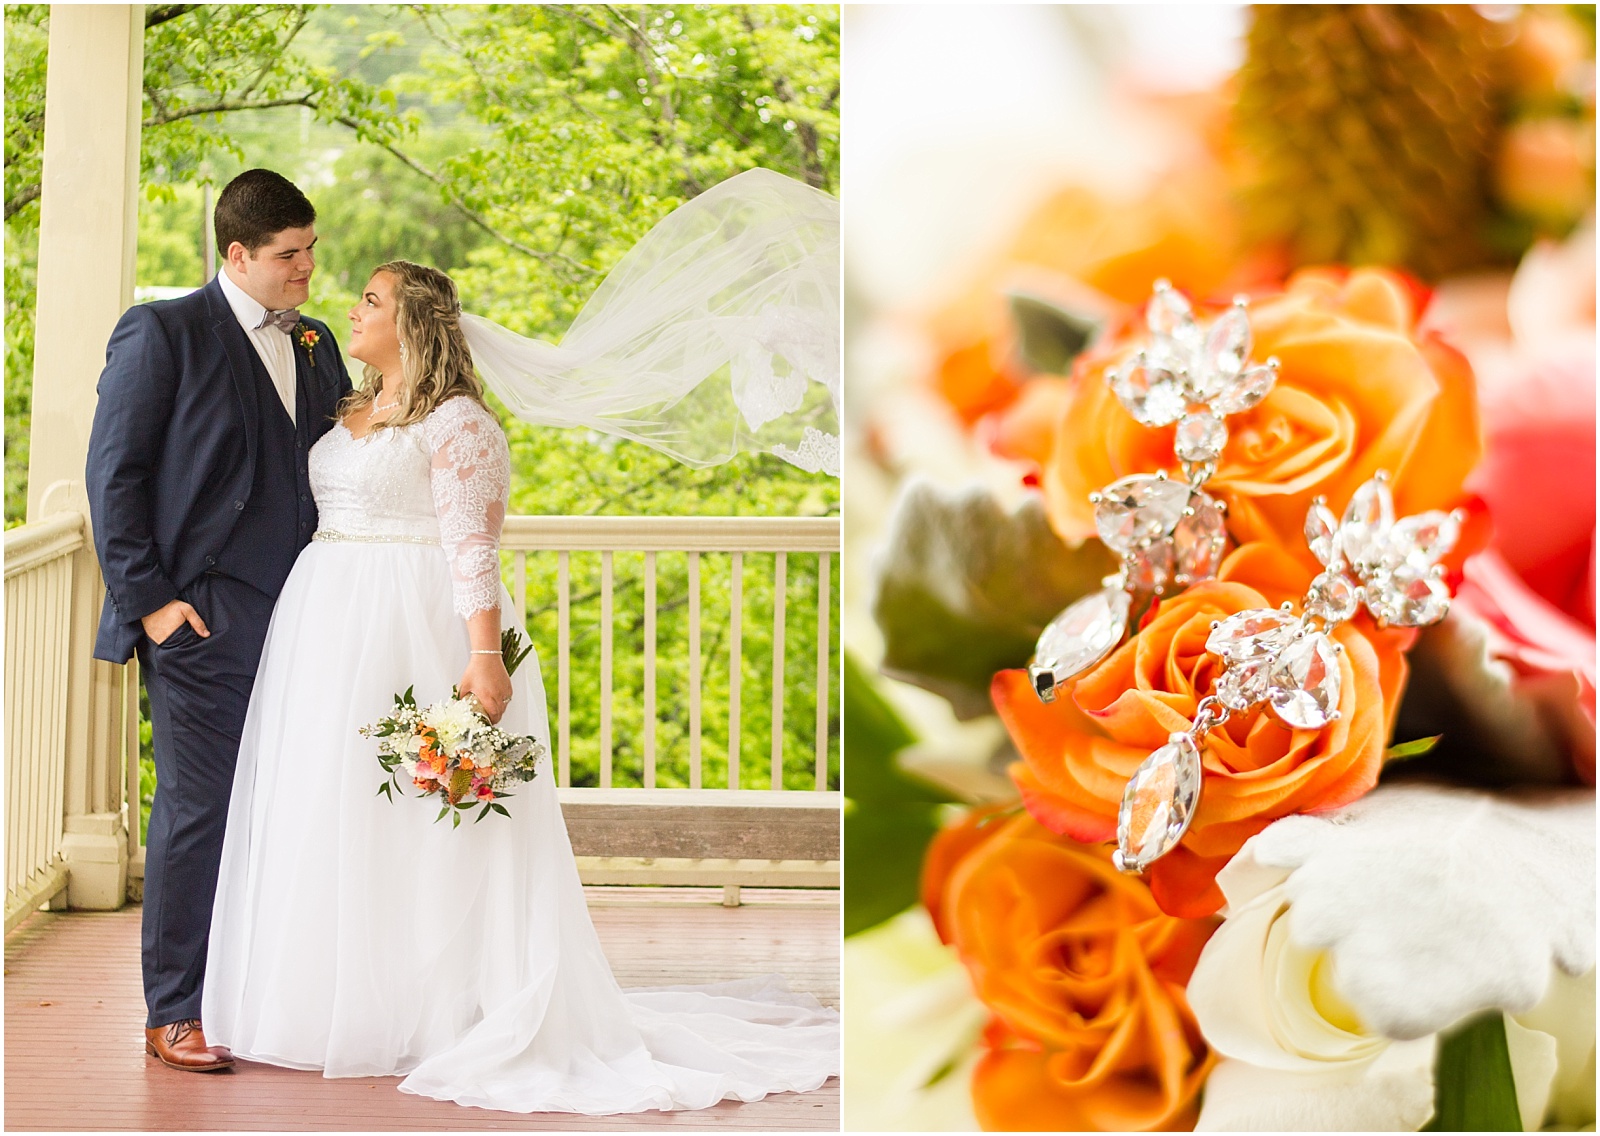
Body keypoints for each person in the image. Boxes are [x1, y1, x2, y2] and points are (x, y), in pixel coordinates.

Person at [200, 259, 840, 1113]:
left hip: (411, 627)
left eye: (372, 301)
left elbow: (472, 545)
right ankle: (334, 1001)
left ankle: (442, 1004)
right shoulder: (350, 407)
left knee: (428, 818)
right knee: (333, 809)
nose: (350, 309)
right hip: (324, 630)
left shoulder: (461, 424)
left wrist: (484, 657)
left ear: (415, 324)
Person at [85, 169, 353, 1072]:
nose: (309, 269)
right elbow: (112, 479)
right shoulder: (162, 331)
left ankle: (265, 994)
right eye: (289, 254)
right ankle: (175, 1011)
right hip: (201, 619)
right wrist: (155, 606)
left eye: (311, 248)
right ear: (235, 254)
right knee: (198, 812)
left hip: (309, 619)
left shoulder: (315, 342)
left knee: (292, 809)